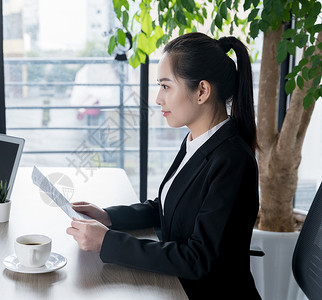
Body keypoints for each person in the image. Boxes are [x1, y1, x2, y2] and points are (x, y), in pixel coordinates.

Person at [66, 32, 261, 299]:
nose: (158, 99)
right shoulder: (197, 140)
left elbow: (199, 258)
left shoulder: (232, 160)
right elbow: (167, 207)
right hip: (176, 287)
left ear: (202, 91)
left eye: (166, 86)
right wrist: (108, 217)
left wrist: (108, 242)